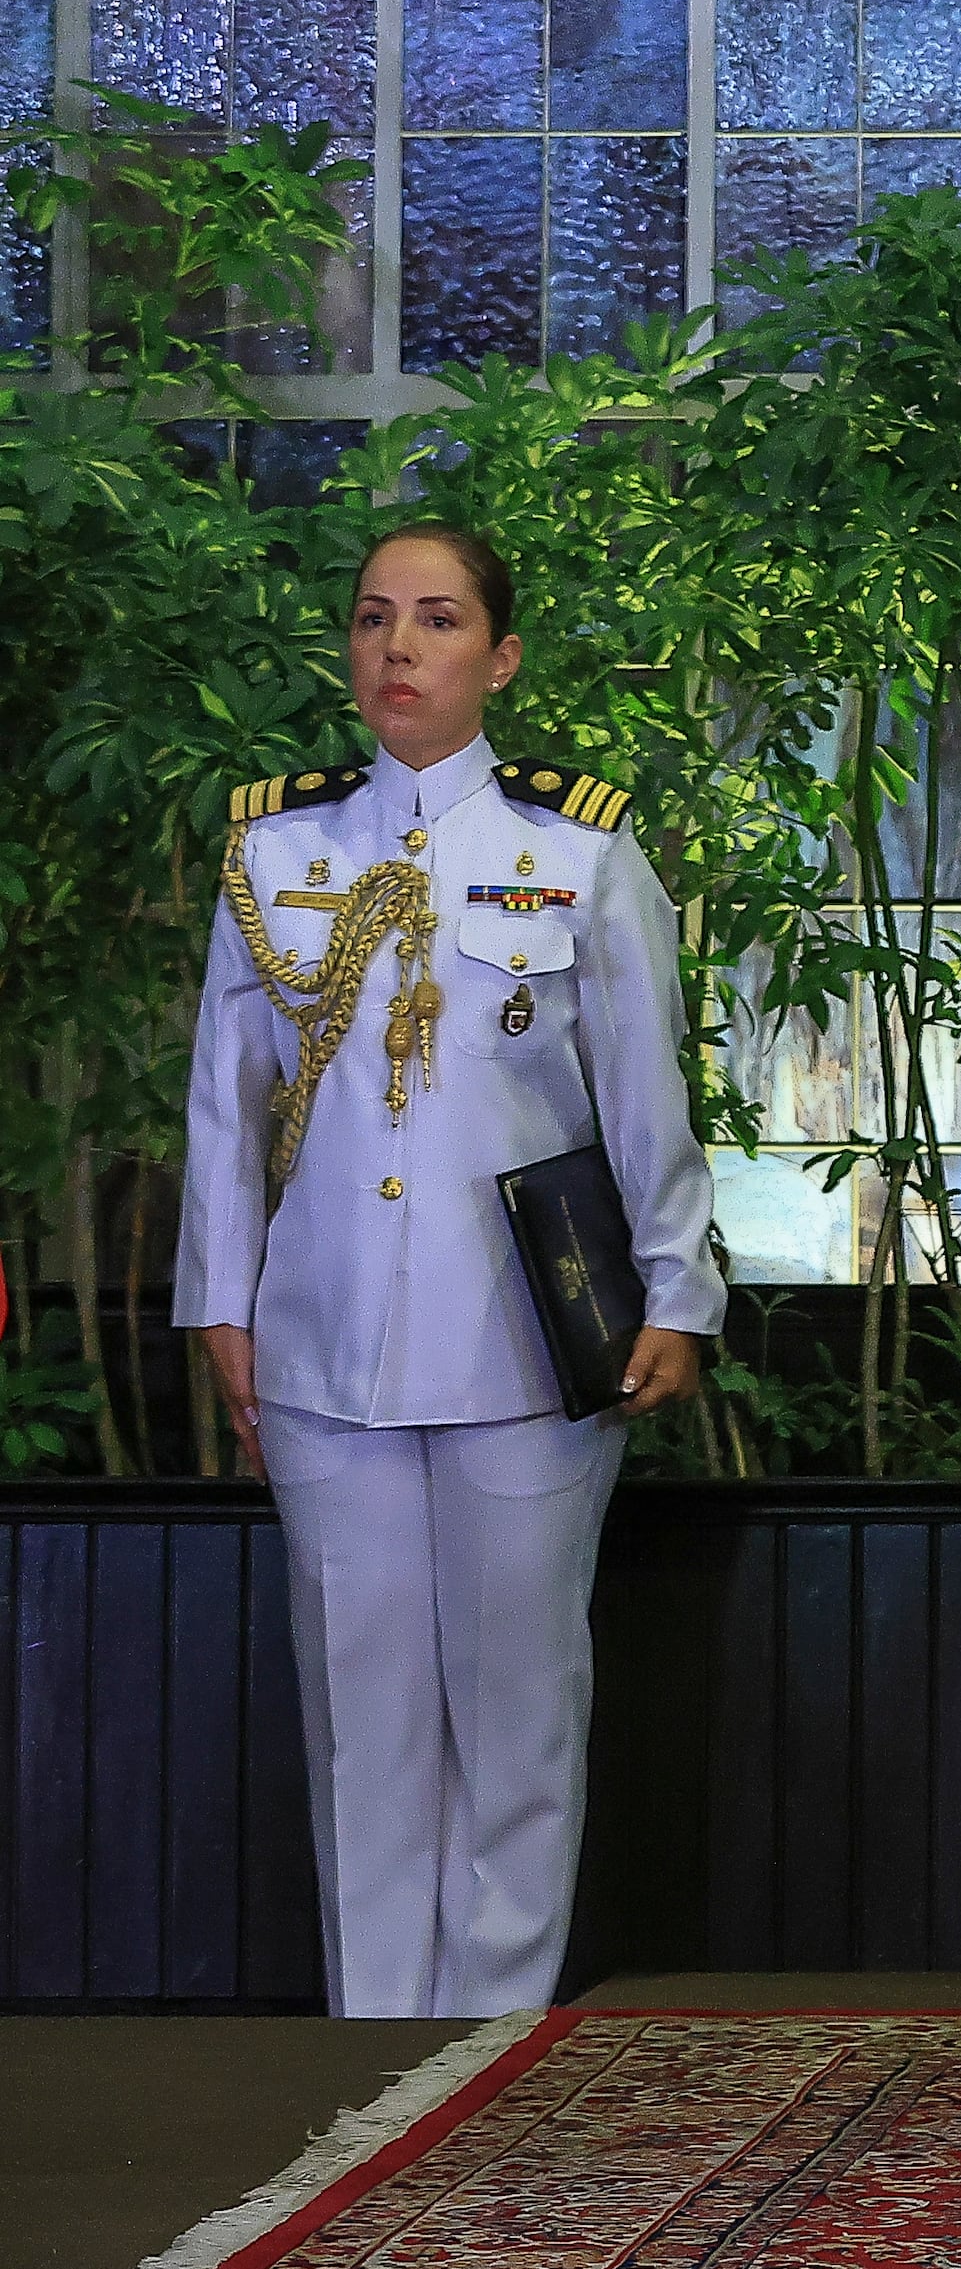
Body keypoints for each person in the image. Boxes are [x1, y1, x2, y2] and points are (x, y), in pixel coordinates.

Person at [176, 520, 717, 2018]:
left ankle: (489, 2046)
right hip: (327, 1339)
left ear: (501, 653)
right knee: (363, 1718)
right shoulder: (274, 852)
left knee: (519, 1707)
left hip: (527, 1343)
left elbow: (643, 1093)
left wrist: (678, 1292)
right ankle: (369, 2057)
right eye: (372, 619)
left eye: (435, 619)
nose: (398, 647)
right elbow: (225, 1102)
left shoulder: (580, 852)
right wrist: (220, 1304)